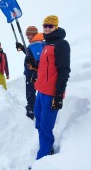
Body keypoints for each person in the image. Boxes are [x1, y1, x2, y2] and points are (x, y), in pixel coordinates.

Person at [34, 15, 71, 160]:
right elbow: (46, 68)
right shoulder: (46, 45)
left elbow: (64, 71)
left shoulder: (61, 44)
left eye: (50, 26)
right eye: (45, 26)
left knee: (45, 128)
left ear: (56, 27)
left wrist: (58, 95)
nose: (47, 28)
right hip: (40, 92)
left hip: (50, 95)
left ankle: (41, 160)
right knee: (39, 124)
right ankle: (47, 148)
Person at [15, 26, 45, 120]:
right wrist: (22, 47)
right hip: (32, 72)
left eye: (29, 35)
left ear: (34, 34)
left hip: (32, 73)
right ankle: (35, 106)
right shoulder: (37, 43)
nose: (27, 37)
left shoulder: (35, 44)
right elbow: (30, 55)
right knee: (32, 91)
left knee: (30, 91)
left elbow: (39, 60)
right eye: (26, 35)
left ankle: (31, 109)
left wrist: (34, 74)